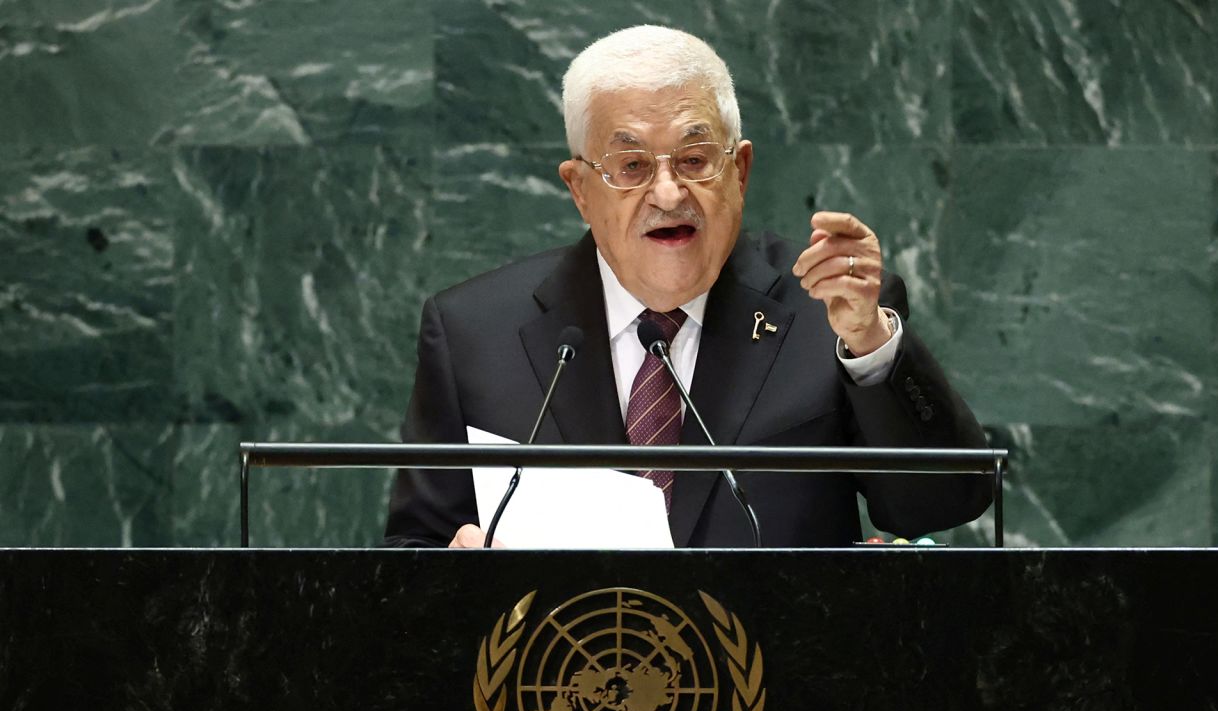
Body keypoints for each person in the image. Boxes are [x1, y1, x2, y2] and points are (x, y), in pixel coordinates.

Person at [382, 25, 990, 549]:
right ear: (580, 191)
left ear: (740, 171)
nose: (669, 194)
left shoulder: (825, 312)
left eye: (696, 160)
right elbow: (415, 552)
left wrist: (871, 345)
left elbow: (942, 506)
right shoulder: (475, 332)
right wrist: (457, 573)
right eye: (632, 167)